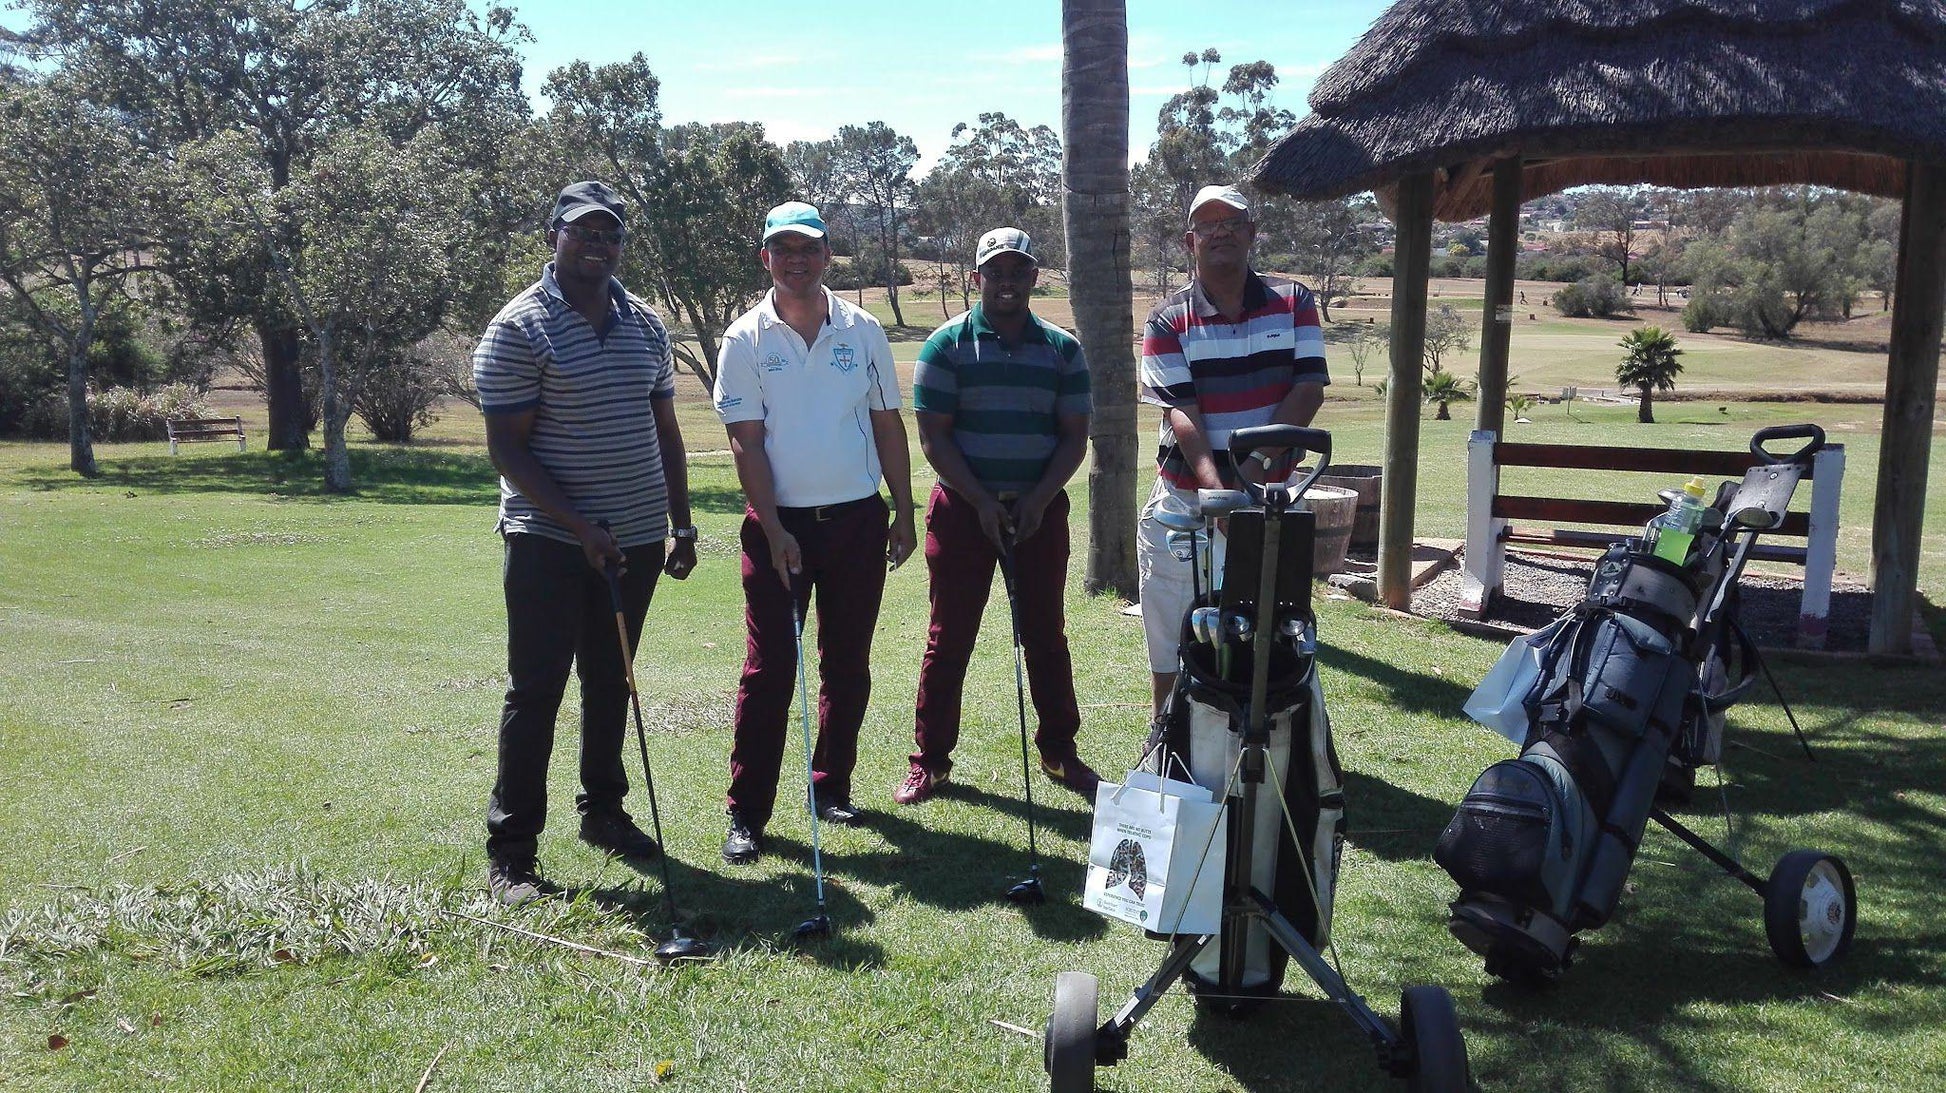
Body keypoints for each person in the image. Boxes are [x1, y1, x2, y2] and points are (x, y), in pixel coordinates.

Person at [473, 180, 698, 907]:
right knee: (536, 689)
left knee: (612, 679)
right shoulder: (519, 328)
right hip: (548, 542)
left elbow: (665, 430)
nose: (596, 245)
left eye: (608, 234)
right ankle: (511, 852)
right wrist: (579, 527)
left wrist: (680, 522)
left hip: (634, 539)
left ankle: (603, 811)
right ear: (554, 236)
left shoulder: (646, 325)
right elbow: (509, 450)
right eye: (582, 232)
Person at [712, 200, 916, 864]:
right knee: (769, 670)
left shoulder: (863, 331)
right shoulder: (744, 338)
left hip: (857, 521)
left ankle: (830, 786)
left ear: (828, 255)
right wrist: (771, 527)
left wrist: (905, 509)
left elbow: (888, 423)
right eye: (783, 249)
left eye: (809, 249)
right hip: (779, 526)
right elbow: (745, 443)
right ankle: (747, 811)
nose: (796, 261)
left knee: (846, 666)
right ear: (765, 258)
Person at [896, 227, 1098, 806]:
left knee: (1044, 634)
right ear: (977, 276)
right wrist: (982, 501)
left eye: (1018, 269)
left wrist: (1034, 500)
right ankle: (929, 761)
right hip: (962, 512)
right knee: (949, 637)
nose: (1006, 280)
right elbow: (934, 439)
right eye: (995, 270)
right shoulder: (945, 345)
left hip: (1040, 511)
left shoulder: (1062, 349)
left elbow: (1073, 436)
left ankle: (1060, 750)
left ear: (1034, 276)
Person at [1136, 184, 1329, 719]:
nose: (1219, 231)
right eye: (1206, 224)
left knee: (1266, 635)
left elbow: (1308, 389)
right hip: (1183, 503)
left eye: (1231, 222)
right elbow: (1181, 413)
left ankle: (1259, 746)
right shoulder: (1167, 319)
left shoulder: (1294, 301)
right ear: (1189, 241)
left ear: (1252, 234)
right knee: (1172, 637)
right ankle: (1167, 738)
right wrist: (1218, 492)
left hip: (1266, 500)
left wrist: (1246, 480)